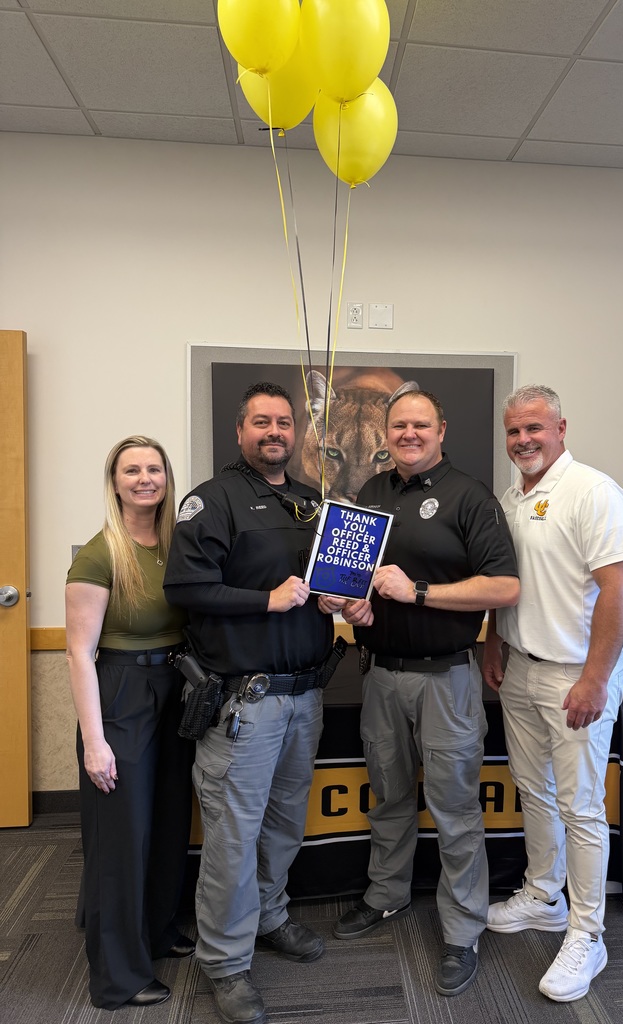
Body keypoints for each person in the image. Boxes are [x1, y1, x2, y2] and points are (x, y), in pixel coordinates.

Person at [322, 390, 519, 997]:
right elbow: (356, 583)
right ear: (388, 431)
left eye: (421, 424)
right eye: (400, 424)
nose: (410, 433)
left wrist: (420, 592)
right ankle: (386, 896)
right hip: (380, 674)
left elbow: (505, 587)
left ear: (441, 429)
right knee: (388, 796)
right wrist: (348, 600)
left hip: (447, 680)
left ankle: (462, 930)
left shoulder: (470, 496)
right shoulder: (372, 495)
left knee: (457, 810)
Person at [163, 382, 336, 1024]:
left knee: (286, 823)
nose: (274, 432)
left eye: (284, 423)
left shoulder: (311, 502)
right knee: (233, 837)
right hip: (245, 701)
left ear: (296, 434)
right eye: (260, 421)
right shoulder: (211, 501)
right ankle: (226, 962)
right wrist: (265, 600)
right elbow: (185, 585)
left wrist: (339, 599)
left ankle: (270, 916)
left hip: (304, 696)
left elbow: (321, 586)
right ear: (239, 431)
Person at [482, 384, 623, 1003]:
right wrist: (495, 642)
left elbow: (621, 592)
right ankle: (543, 895)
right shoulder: (512, 498)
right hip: (520, 667)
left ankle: (586, 932)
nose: (523, 441)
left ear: (561, 427)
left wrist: (597, 678)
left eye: (534, 429)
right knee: (533, 789)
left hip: (576, 675)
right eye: (514, 431)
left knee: (580, 806)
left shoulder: (594, 492)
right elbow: (507, 584)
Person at [65, 436, 194, 1010]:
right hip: (120, 693)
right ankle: (117, 977)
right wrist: (94, 741)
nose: (145, 478)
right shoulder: (98, 554)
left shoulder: (176, 544)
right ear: (114, 482)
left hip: (175, 688)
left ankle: (157, 932)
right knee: (122, 838)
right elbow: (77, 653)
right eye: (132, 470)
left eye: (154, 469)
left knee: (167, 823)